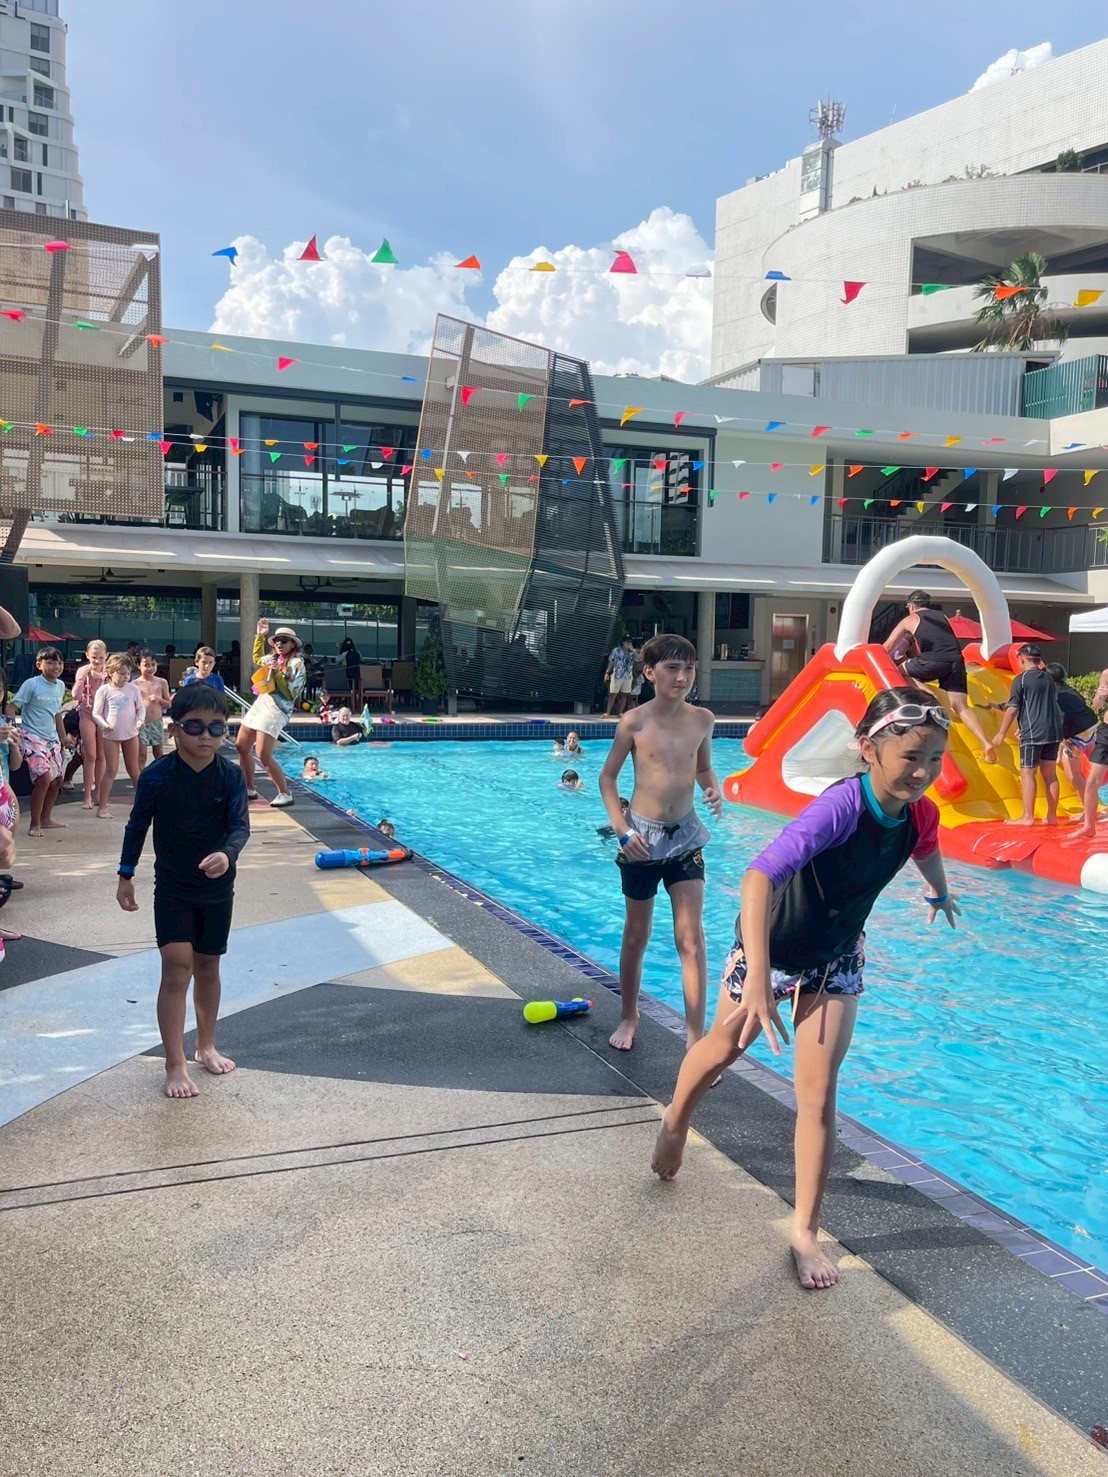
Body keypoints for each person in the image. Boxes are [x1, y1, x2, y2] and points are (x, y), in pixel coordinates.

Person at [651, 687, 959, 1290]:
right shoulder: (840, 807)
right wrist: (758, 977)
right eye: (911, 757)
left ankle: (804, 1232)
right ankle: (676, 1121)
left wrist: (939, 891)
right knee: (722, 1050)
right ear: (868, 749)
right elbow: (759, 876)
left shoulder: (920, 813)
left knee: (817, 1096)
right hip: (771, 946)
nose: (923, 772)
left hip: (836, 956)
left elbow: (926, 849)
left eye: (935, 759)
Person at [116, 684, 249, 1099]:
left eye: (216, 727)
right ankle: (174, 1063)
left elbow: (239, 827)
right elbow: (137, 826)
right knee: (176, 968)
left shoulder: (230, 775)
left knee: (208, 967)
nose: (206, 736)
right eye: (195, 727)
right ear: (174, 730)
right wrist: (125, 874)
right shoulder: (157, 776)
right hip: (173, 886)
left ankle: (205, 1044)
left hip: (217, 888)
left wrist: (227, 854)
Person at [599, 633, 721, 1052]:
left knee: (691, 938)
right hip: (641, 842)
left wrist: (712, 788)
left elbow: (702, 768)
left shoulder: (702, 720)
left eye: (689, 668)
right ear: (649, 673)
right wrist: (622, 830)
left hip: (685, 838)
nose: (682, 676)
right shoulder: (635, 722)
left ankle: (695, 1038)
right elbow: (608, 778)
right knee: (637, 935)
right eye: (672, 668)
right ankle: (629, 1015)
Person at [882, 592, 991, 751]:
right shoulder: (942, 617)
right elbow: (937, 639)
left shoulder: (910, 619)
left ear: (911, 606)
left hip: (933, 659)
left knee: (897, 672)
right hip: (956, 661)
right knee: (961, 707)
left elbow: (888, 646)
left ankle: (928, 694)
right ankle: (985, 743)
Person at [985, 644, 1064, 825]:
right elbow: (1042, 705)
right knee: (1050, 774)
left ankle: (1027, 817)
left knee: (1028, 773)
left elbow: (1013, 708)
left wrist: (1001, 732)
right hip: (1053, 731)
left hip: (1033, 733)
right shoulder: (1049, 678)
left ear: (1022, 659)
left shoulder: (1021, 680)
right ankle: (1052, 816)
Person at [235, 618, 305, 808]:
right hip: (262, 702)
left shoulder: (297, 664)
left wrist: (277, 673)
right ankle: (249, 788)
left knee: (263, 754)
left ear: (293, 645)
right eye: (277, 641)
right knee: (241, 745)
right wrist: (260, 636)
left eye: (285, 641)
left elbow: (291, 693)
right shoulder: (274, 659)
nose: (280, 644)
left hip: (277, 709)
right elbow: (257, 659)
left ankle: (285, 793)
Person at [12, 647, 74, 837]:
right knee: (44, 779)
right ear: (39, 665)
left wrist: (63, 738)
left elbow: (56, 714)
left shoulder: (60, 686)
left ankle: (46, 819)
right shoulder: (31, 684)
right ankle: (35, 824)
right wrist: (13, 731)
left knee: (57, 780)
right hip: (32, 737)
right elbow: (11, 707)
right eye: (51, 662)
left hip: (51, 739)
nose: (56, 666)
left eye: (59, 662)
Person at [93, 654, 145, 819]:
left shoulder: (133, 689)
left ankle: (143, 804)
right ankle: (102, 806)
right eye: (121, 673)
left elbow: (140, 708)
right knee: (111, 770)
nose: (125, 677)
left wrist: (140, 720)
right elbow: (96, 713)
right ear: (111, 673)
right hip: (111, 735)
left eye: (128, 673)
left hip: (131, 733)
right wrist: (104, 725)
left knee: (134, 770)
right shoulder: (104, 690)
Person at [1045, 662, 1098, 808]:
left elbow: (1060, 720)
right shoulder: (1070, 690)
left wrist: (1059, 745)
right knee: (1098, 769)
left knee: (1074, 776)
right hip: (1092, 729)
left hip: (1076, 737)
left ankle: (1089, 810)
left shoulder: (1052, 695)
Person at [72, 638, 108, 810]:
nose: (97, 661)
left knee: (101, 755)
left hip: (104, 715)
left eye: (100, 657)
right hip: (87, 713)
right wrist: (82, 679)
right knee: (90, 755)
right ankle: (87, 795)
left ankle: (99, 794)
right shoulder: (83, 671)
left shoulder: (109, 672)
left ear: (106, 656)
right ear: (87, 655)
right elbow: (75, 695)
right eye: (94, 657)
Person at [135, 649, 172, 768]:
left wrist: (159, 699)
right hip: (142, 723)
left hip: (157, 721)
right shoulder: (135, 684)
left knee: (159, 753)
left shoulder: (162, 682)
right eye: (146, 665)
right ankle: (141, 776)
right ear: (138, 665)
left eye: (153, 664)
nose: (150, 668)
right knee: (142, 755)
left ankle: (159, 774)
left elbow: (168, 704)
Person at [604, 634, 637, 718]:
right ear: (623, 642)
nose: (628, 644)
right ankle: (608, 712)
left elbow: (639, 659)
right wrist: (607, 672)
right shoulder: (616, 651)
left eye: (630, 642)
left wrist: (633, 650)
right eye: (627, 642)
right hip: (617, 675)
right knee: (613, 693)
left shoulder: (632, 653)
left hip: (627, 676)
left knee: (624, 694)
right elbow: (611, 661)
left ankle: (620, 713)